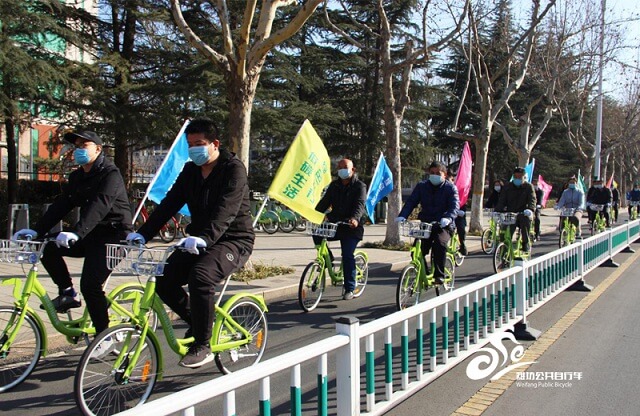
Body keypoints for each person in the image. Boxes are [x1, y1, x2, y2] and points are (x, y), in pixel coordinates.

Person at [127, 119, 254, 368]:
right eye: (190, 145)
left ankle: (203, 344)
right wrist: (143, 233)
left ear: (215, 144)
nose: (194, 149)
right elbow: (169, 204)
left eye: (199, 144)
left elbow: (226, 210)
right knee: (163, 279)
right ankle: (198, 324)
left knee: (201, 276)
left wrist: (205, 237)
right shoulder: (190, 171)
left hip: (233, 240)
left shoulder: (233, 169)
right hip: (198, 240)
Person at [12, 129, 133, 337]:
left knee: (90, 284)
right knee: (48, 247)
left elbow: (100, 205)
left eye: (84, 146)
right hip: (90, 234)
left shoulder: (111, 174)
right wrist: (35, 230)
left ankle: (104, 334)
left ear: (98, 149)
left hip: (114, 237)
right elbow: (63, 204)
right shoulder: (78, 176)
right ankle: (67, 292)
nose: (78, 150)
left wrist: (76, 232)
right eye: (76, 146)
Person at [396, 161, 459, 284]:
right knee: (417, 250)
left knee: (439, 244)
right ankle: (424, 271)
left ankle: (439, 275)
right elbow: (411, 202)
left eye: (438, 173)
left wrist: (448, 217)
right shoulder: (422, 186)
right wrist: (402, 216)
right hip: (426, 225)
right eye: (432, 173)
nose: (434, 175)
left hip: (444, 225)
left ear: (444, 175)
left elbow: (454, 206)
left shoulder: (450, 188)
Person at [313, 158, 367, 300]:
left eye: (345, 167)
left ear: (352, 170)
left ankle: (350, 288)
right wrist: (312, 215)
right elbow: (324, 203)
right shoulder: (334, 185)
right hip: (336, 224)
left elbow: (360, 205)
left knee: (347, 254)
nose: (342, 170)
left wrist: (355, 219)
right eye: (339, 167)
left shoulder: (359, 186)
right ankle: (327, 258)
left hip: (351, 227)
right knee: (316, 232)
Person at [494, 167, 536, 253]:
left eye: (520, 177)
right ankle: (504, 252)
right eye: (515, 177)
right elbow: (502, 200)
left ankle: (525, 242)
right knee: (504, 232)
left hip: (523, 213)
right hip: (510, 213)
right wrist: (497, 210)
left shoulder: (529, 187)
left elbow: (532, 200)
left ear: (524, 177)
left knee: (525, 224)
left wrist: (530, 209)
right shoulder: (507, 187)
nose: (517, 179)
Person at [447, 172, 468, 255]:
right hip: (448, 217)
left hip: (459, 217)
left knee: (461, 228)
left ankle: (462, 245)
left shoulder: (459, 191)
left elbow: (463, 206)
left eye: (450, 180)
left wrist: (459, 211)